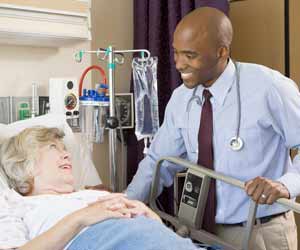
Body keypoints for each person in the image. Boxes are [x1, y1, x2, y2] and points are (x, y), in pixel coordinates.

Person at [126, 6, 300, 250]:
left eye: (190, 55)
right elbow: (158, 162)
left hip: (259, 232)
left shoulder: (269, 87)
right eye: (176, 53)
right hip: (199, 231)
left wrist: (285, 185)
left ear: (221, 52)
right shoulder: (180, 99)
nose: (178, 64)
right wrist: (123, 204)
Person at [0, 126, 202, 250]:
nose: (67, 155)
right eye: (53, 148)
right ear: (25, 162)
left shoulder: (89, 193)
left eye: (66, 149)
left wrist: (151, 216)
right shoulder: (13, 203)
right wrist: (80, 218)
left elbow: (155, 235)